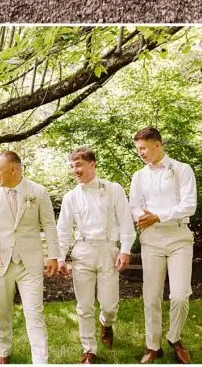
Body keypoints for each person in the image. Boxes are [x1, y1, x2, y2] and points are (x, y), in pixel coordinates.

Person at [0, 150, 61, 365]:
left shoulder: (38, 191)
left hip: (30, 263)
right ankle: (3, 352)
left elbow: (49, 224)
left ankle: (40, 361)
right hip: (0, 263)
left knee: (34, 314)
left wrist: (53, 255)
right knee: (1, 312)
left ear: (13, 169)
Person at [56, 147, 135, 363]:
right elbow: (63, 230)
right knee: (84, 306)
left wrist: (125, 249)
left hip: (109, 250)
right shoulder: (71, 197)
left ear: (92, 164)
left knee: (109, 305)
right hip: (82, 251)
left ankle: (106, 323)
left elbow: (126, 221)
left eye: (79, 165)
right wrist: (60, 257)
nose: (75, 170)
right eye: (72, 166)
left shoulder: (113, 189)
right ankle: (89, 349)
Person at [129, 127, 198, 365]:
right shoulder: (139, 176)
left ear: (157, 145)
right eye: (138, 149)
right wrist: (142, 217)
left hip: (179, 237)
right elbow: (135, 205)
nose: (140, 153)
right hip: (152, 238)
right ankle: (153, 346)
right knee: (151, 295)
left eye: (143, 148)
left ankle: (175, 337)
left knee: (179, 295)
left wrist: (157, 215)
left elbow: (189, 206)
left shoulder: (181, 169)